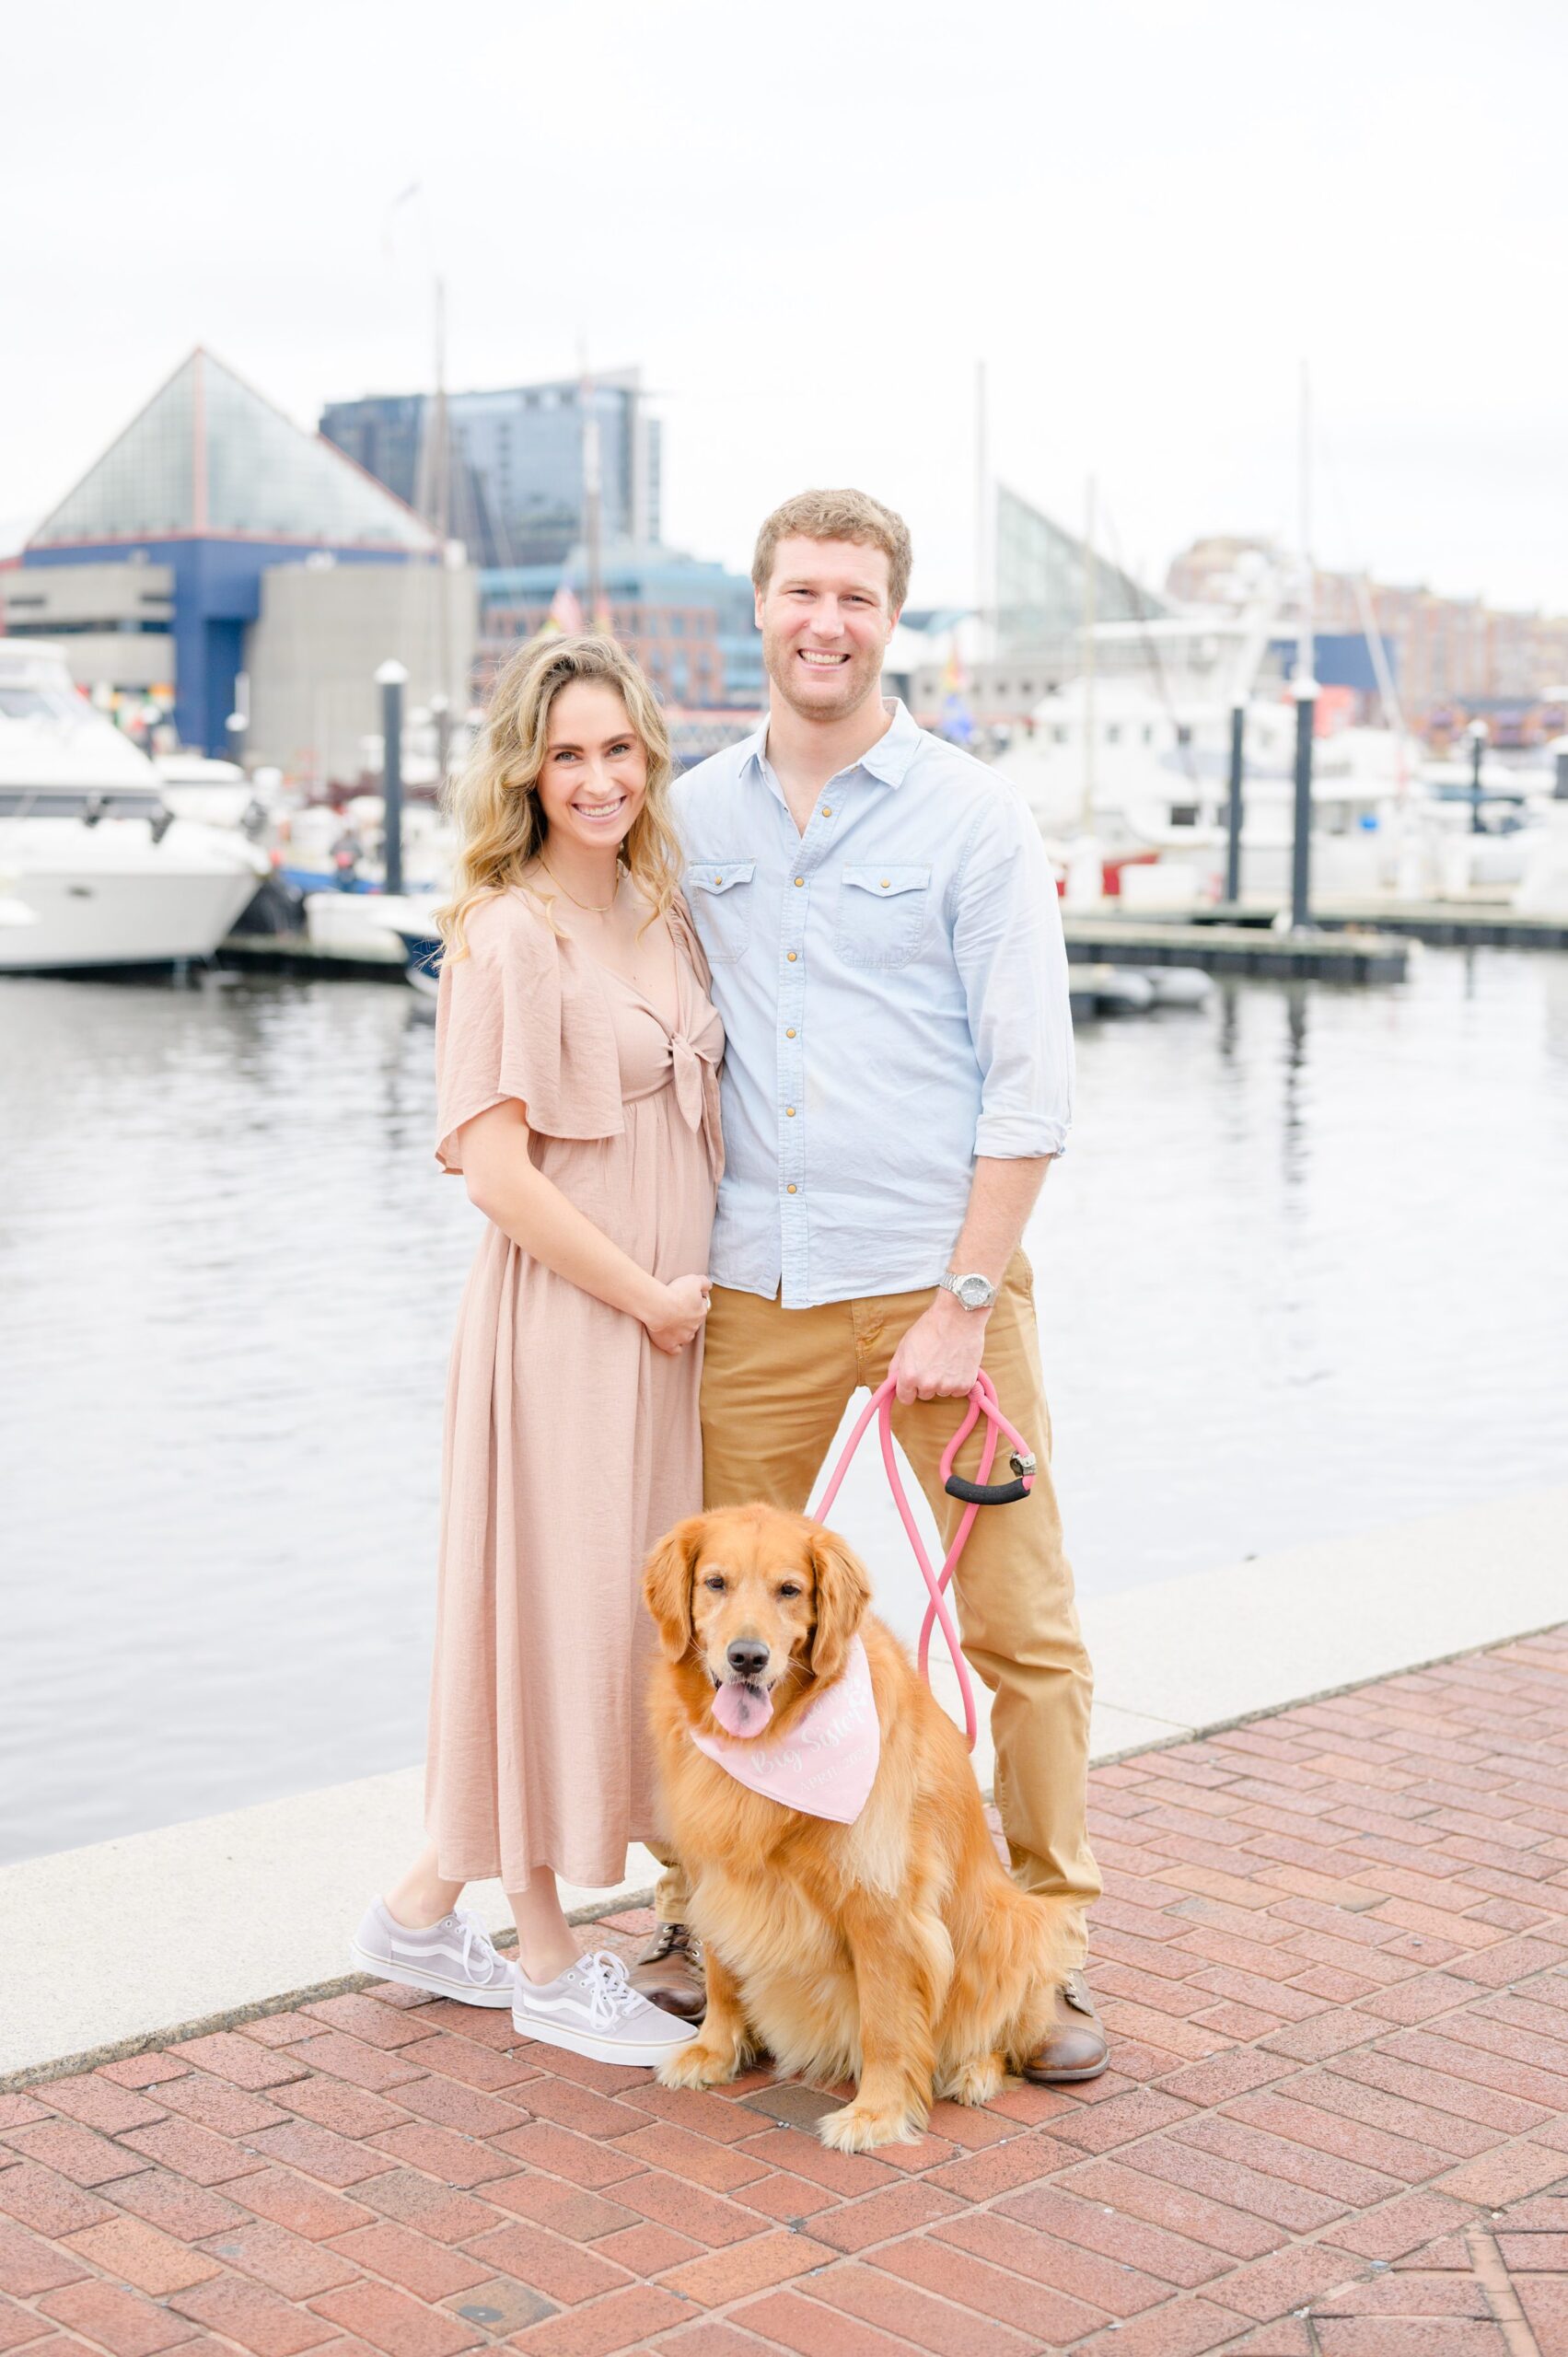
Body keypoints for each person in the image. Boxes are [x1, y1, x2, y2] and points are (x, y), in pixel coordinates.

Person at [633, 489, 1106, 2083]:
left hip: (939, 1287)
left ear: (889, 617)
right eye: (797, 593)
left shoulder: (972, 818)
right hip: (756, 1298)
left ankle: (1044, 1938)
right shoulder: (691, 818)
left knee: (1011, 1622)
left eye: (854, 596)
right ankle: (726, 1925)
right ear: (757, 610)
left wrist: (965, 1297)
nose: (822, 622)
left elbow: (1030, 1090)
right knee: (729, 1634)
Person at [351, 633, 723, 2069]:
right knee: (555, 1609)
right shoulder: (508, 934)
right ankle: (550, 1953)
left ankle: (420, 1909)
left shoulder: (660, 909)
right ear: (526, 769)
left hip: (666, 1328)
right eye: (566, 754)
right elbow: (498, 1173)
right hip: (578, 1321)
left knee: (604, 1616)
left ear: (647, 759)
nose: (596, 778)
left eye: (618, 749)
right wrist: (643, 1295)